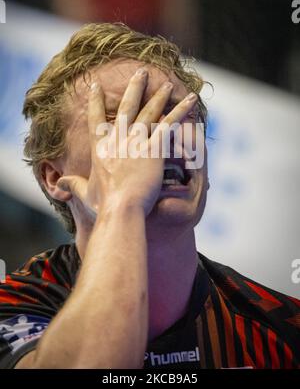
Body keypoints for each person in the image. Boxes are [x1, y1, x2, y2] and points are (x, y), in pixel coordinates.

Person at [0, 23, 299, 369]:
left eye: (177, 114)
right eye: (121, 122)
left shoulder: (284, 328)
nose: (160, 136)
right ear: (54, 177)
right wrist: (123, 203)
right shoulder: (15, 307)